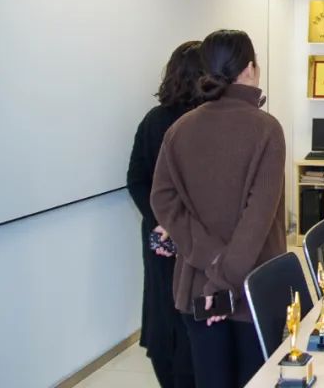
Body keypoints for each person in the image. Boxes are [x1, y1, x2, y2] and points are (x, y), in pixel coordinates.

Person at [151, 30, 286, 388]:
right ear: (250, 69)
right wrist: (223, 280)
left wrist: (210, 262)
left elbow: (162, 199)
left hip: (198, 288)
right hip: (252, 289)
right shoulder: (266, 129)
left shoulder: (180, 128)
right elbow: (258, 218)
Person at [126, 41, 203, 388]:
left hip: (160, 236)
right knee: (192, 311)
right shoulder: (201, 123)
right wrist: (174, 224)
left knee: (163, 308)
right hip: (192, 235)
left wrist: (160, 221)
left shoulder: (153, 120)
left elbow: (136, 179)